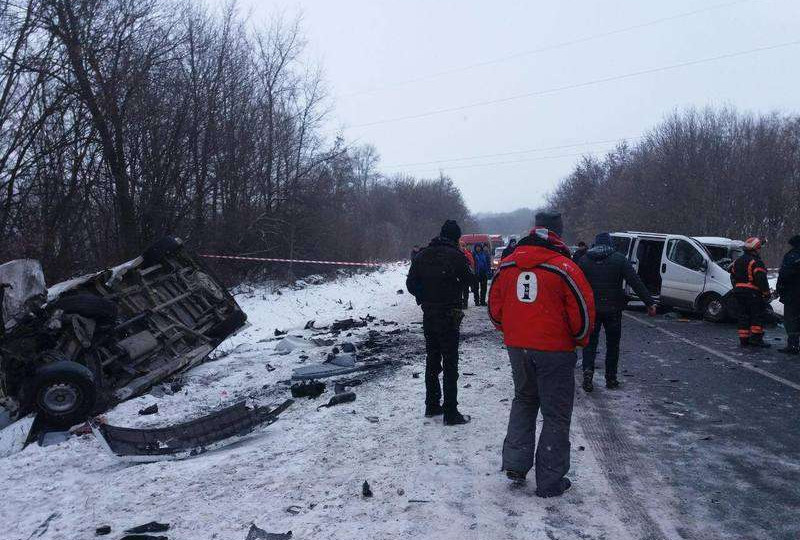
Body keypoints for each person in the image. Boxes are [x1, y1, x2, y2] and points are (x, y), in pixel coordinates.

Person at [488, 211, 595, 498]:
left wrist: (512, 332)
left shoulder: (508, 264)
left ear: (533, 230)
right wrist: (578, 340)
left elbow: (494, 309)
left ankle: (516, 463)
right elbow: (583, 315)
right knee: (556, 413)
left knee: (524, 400)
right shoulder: (565, 267)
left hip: (518, 347)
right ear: (558, 232)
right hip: (555, 350)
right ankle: (549, 480)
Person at [407, 220, 473, 425]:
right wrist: (452, 289)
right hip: (449, 314)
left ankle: (432, 404)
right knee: (450, 362)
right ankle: (451, 412)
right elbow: (469, 280)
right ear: (455, 237)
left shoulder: (422, 255)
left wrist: (424, 297)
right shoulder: (456, 256)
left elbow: (410, 283)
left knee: (432, 359)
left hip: (429, 313)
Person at [578, 232, 657, 392]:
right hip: (613, 309)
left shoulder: (584, 260)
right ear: (610, 243)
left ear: (595, 244)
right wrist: (649, 302)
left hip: (592, 309)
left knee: (590, 343)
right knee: (613, 345)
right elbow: (635, 281)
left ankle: (588, 371)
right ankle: (611, 378)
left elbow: (576, 285)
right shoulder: (619, 259)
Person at [730, 237, 771, 348]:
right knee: (756, 316)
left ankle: (744, 340)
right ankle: (756, 340)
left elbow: (732, 276)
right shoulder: (756, 262)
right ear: (755, 249)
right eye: (758, 248)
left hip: (739, 293)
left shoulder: (737, 261)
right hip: (752, 293)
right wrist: (766, 293)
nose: (759, 250)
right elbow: (761, 279)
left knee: (743, 316)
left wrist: (737, 287)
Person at [776, 235, 800, 355]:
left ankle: (793, 345)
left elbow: (784, 274)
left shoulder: (792, 256)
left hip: (793, 294)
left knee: (791, 320)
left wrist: (779, 288)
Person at [460, 241, 476, 308]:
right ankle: (460, 302)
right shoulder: (457, 254)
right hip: (459, 274)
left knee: (465, 289)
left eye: (463, 246)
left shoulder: (468, 254)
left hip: (466, 274)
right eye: (461, 246)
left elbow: (472, 263)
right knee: (459, 290)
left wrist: (472, 271)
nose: (462, 248)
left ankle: (465, 303)